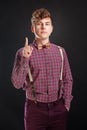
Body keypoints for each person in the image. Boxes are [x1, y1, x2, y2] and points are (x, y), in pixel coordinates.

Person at [11, 8, 73, 130]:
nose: (43, 27)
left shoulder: (61, 51)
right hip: (34, 110)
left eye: (47, 24)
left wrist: (66, 105)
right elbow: (17, 84)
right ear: (33, 28)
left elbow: (68, 79)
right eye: (39, 24)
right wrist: (25, 59)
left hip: (58, 109)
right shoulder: (22, 53)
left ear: (52, 28)